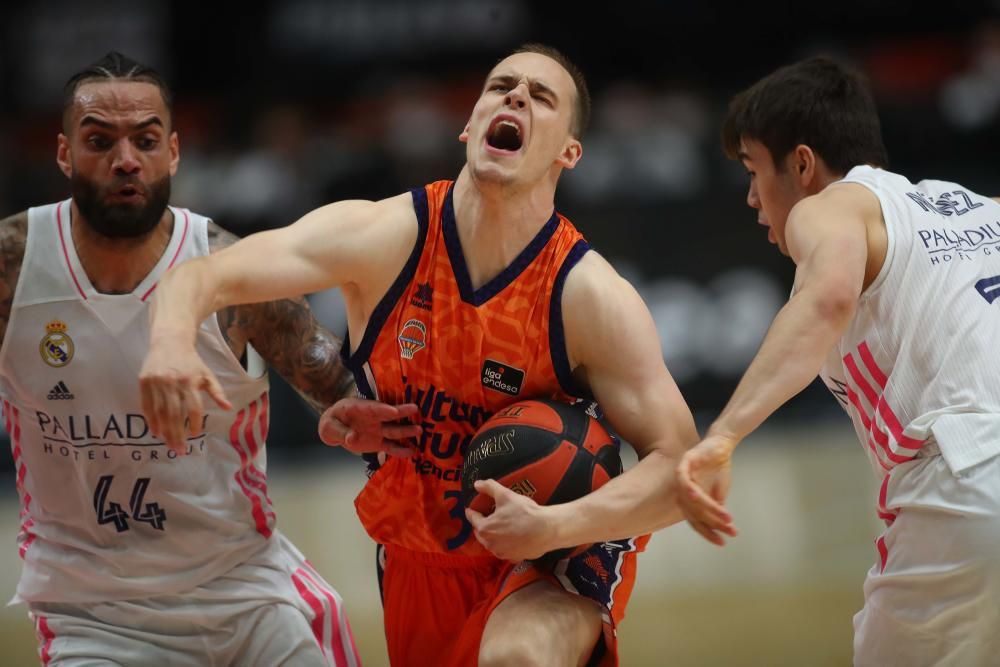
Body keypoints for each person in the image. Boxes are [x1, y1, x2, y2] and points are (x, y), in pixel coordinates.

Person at [140, 44, 701, 667]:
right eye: (501, 86)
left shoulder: (588, 296)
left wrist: (559, 528)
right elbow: (202, 277)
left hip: (551, 559)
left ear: (568, 153)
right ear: (469, 125)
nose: (515, 96)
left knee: (515, 659)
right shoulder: (384, 238)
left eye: (541, 97)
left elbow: (689, 472)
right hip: (419, 555)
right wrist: (169, 345)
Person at [4, 51, 419, 666]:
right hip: (92, 616)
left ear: (172, 153)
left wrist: (351, 416)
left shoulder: (235, 275)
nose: (126, 160)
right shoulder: (13, 268)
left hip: (248, 597)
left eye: (145, 140)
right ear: (64, 153)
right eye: (99, 141)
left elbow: (350, 396)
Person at [677, 56, 1000, 666]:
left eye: (753, 170)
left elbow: (826, 300)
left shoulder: (828, 207)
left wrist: (722, 436)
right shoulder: (981, 206)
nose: (751, 198)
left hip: (969, 479)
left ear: (801, 164)